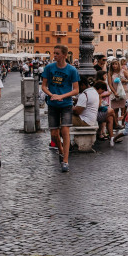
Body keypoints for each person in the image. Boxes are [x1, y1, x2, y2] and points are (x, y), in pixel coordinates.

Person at [41, 45, 80, 173]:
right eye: (54, 53)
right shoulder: (49, 68)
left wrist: (61, 96)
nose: (55, 55)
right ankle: (61, 151)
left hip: (66, 104)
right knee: (54, 134)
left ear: (64, 55)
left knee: (65, 131)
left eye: (57, 53)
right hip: (52, 104)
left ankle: (65, 161)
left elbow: (76, 90)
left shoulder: (72, 70)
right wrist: (51, 95)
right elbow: (44, 86)